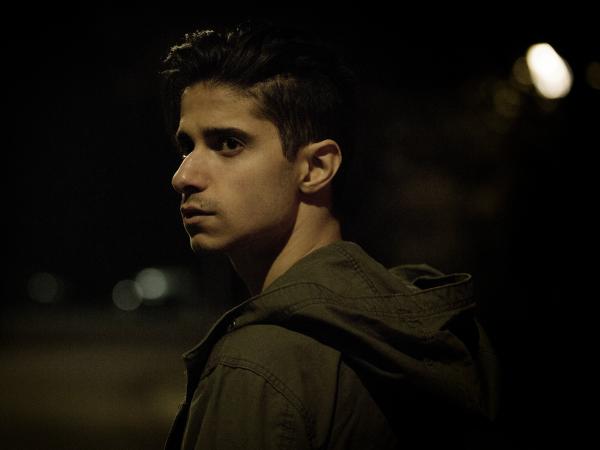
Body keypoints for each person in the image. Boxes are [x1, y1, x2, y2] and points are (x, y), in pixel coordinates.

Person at [159, 21, 500, 450]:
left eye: (228, 143)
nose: (183, 176)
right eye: (186, 147)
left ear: (316, 167)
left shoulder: (259, 363)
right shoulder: (433, 337)